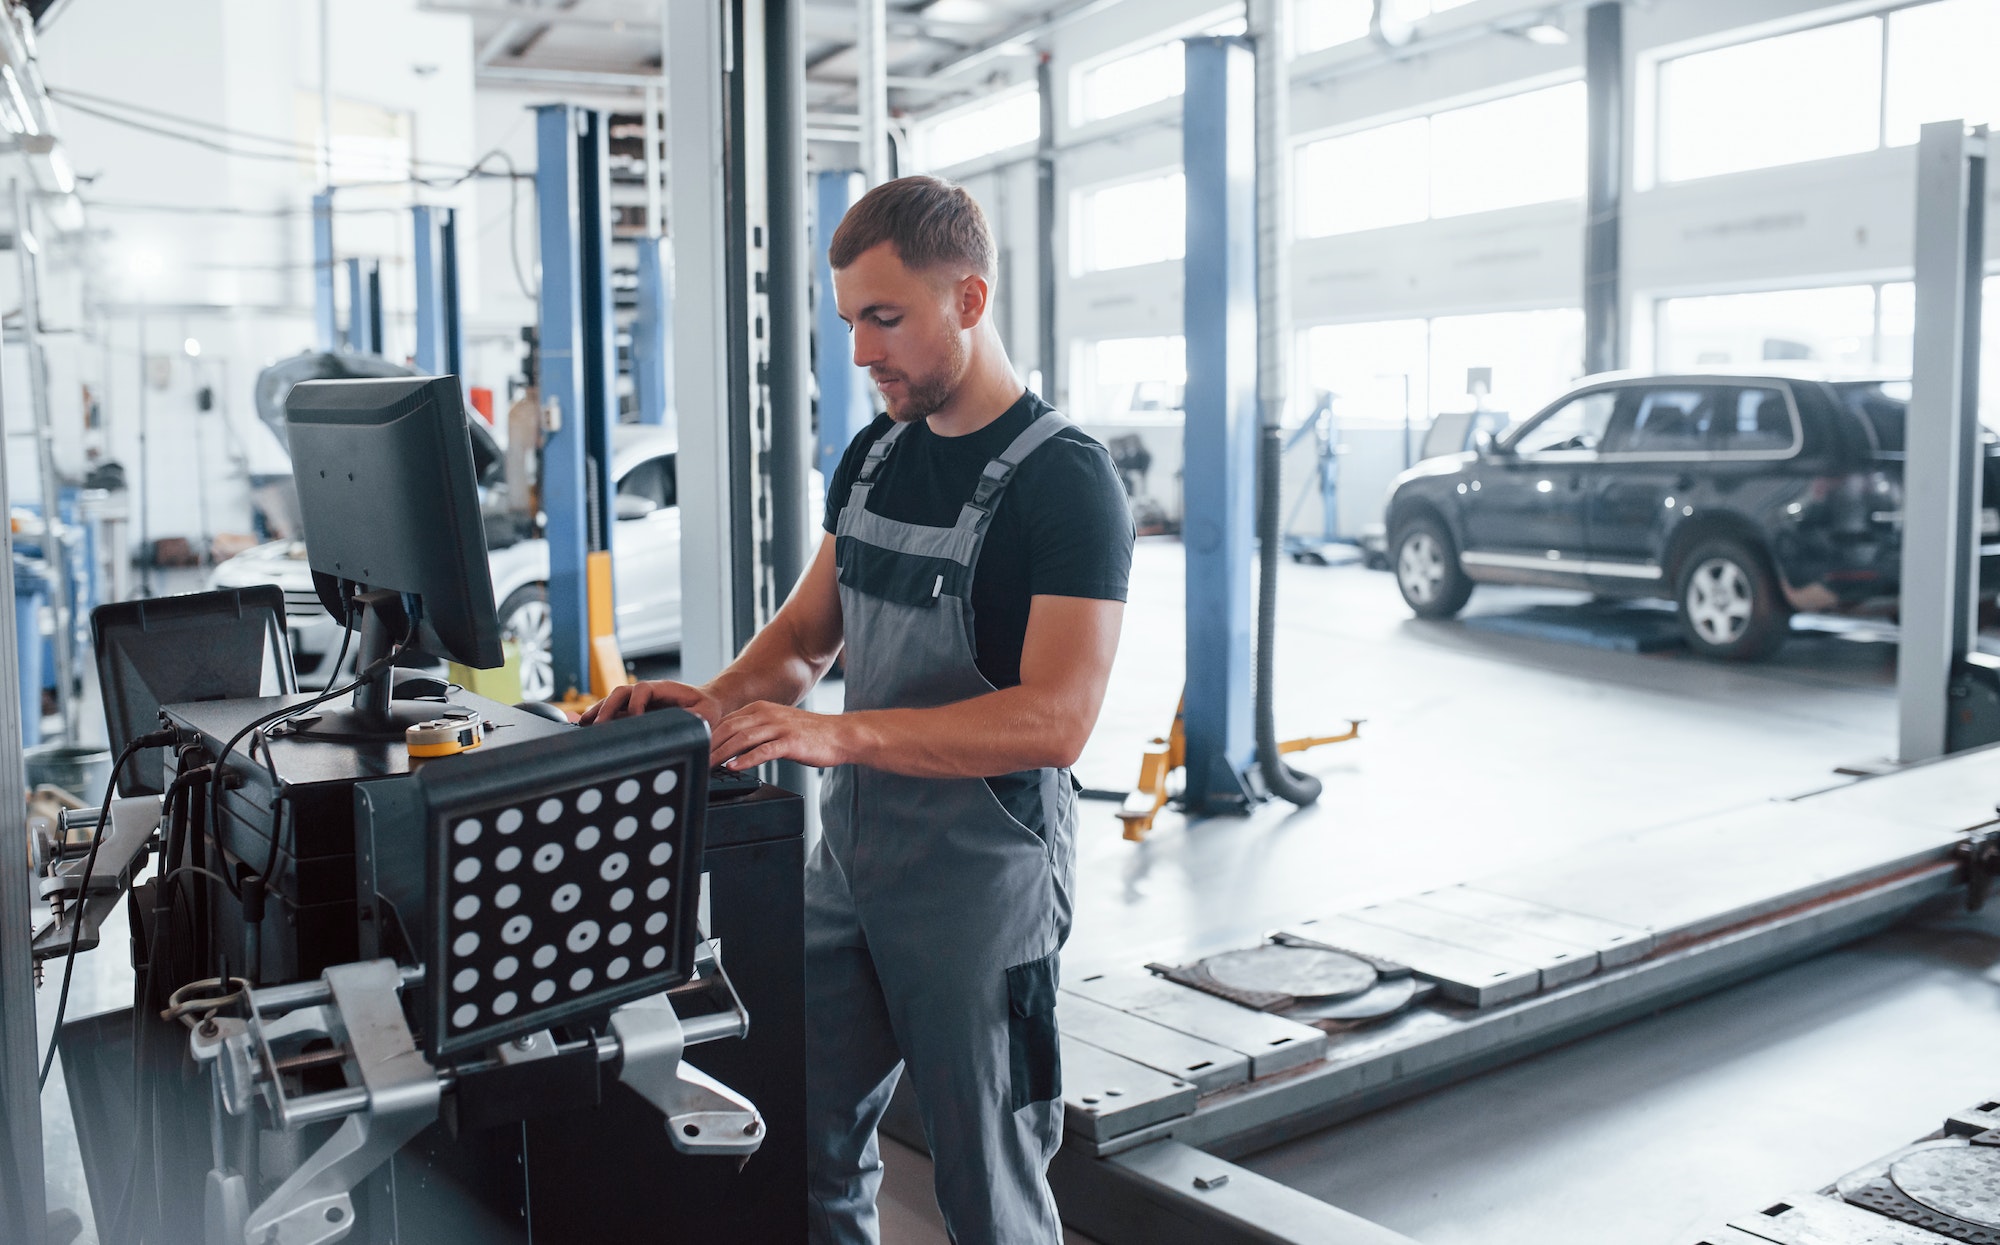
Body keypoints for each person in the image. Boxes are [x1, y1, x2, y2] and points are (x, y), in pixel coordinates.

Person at [582, 175, 1134, 1243]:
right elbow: (798, 645)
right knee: (801, 1146)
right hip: (852, 872)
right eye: (847, 322)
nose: (859, 353)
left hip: (983, 891)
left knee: (988, 1190)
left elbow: (1056, 720)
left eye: (884, 318)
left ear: (967, 302)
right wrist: (705, 705)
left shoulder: (1063, 481)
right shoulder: (877, 457)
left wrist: (834, 735)